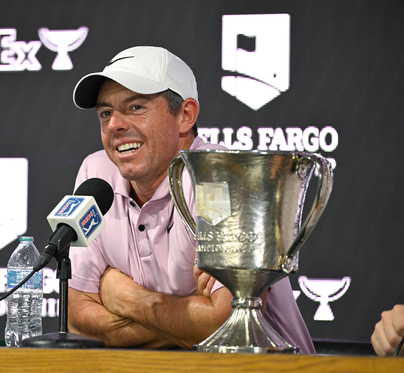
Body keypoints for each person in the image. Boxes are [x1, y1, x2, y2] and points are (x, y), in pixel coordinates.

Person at [67, 45, 315, 353]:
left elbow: (230, 324)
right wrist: (188, 319)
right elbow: (77, 317)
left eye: (135, 108)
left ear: (185, 116)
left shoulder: (220, 177)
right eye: (106, 113)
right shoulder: (97, 172)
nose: (115, 125)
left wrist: (124, 297)